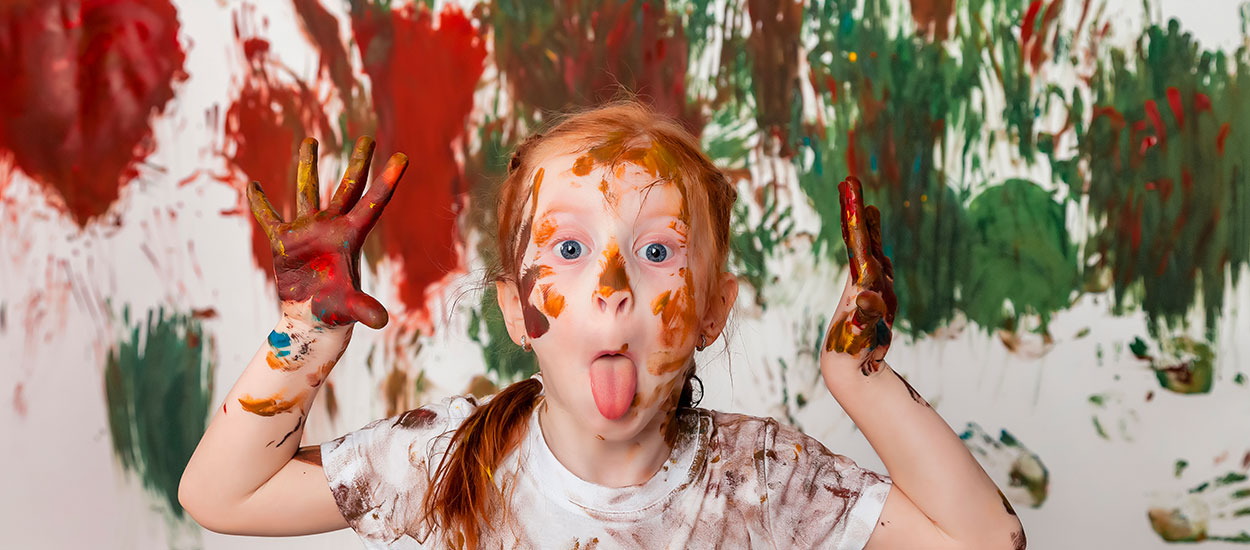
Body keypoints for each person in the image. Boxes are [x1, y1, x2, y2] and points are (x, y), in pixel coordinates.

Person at [178, 101, 1026, 549]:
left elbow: (986, 541)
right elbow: (222, 496)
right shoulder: (449, 462)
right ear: (517, 309)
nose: (613, 286)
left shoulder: (763, 477)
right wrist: (305, 337)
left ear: (711, 310)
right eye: (573, 245)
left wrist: (860, 379)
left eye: (659, 252)